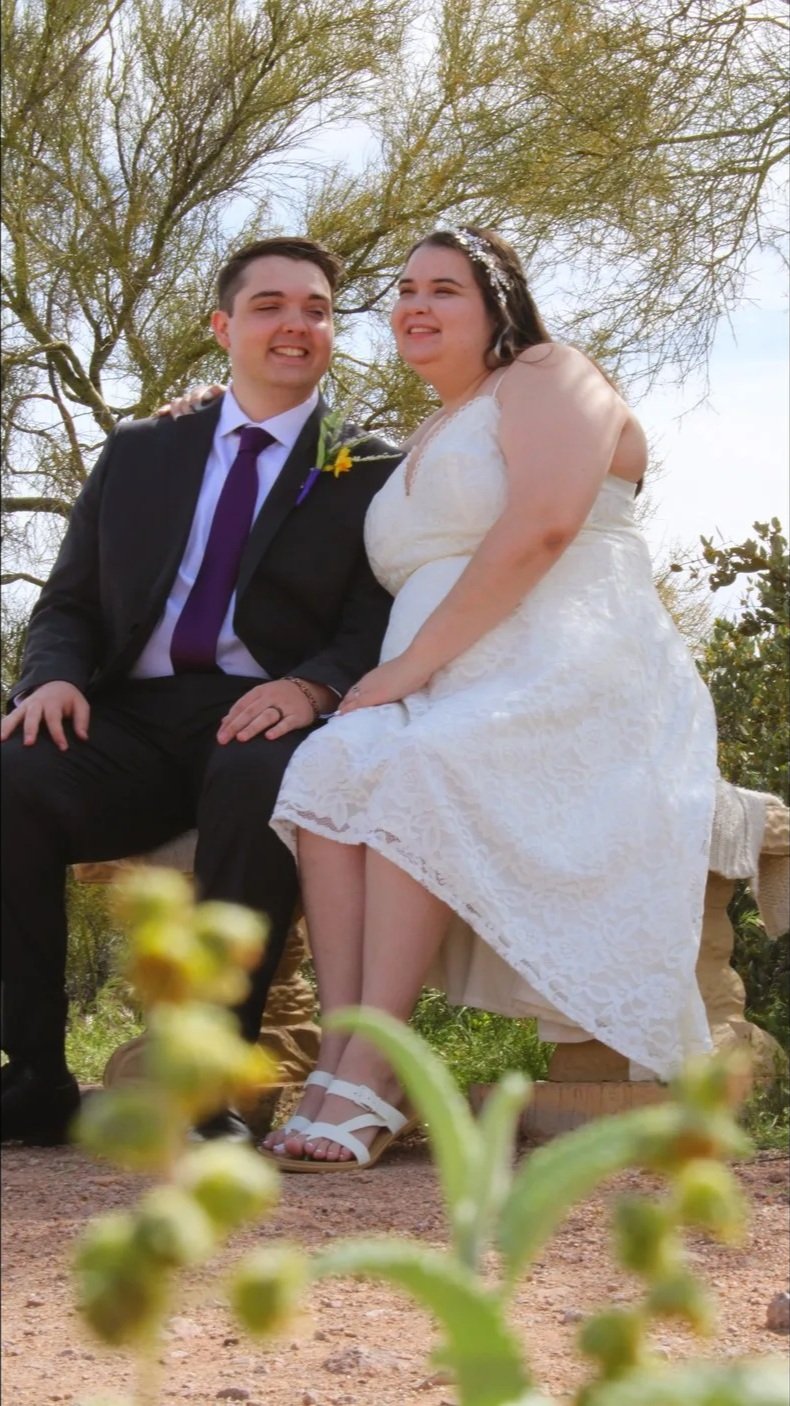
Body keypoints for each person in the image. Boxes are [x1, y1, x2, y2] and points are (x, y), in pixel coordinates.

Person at [263, 225, 718, 1172]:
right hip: (447, 678)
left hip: (572, 671)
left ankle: (375, 1063)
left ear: (499, 305)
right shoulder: (425, 429)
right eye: (402, 291)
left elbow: (547, 524)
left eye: (444, 289)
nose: (414, 306)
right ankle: (354, 1055)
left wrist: (403, 670)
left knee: (423, 767)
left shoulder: (551, 372)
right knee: (331, 768)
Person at [0, 236, 401, 1146]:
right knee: (8, 774)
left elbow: (377, 618)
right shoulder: (142, 450)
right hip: (130, 717)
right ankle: (30, 1075)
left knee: (258, 779)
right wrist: (52, 678)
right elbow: (68, 599)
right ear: (224, 326)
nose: (295, 325)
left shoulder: (371, 467)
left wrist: (314, 687)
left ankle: (208, 1085)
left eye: (316, 309)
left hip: (261, 713)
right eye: (270, 307)